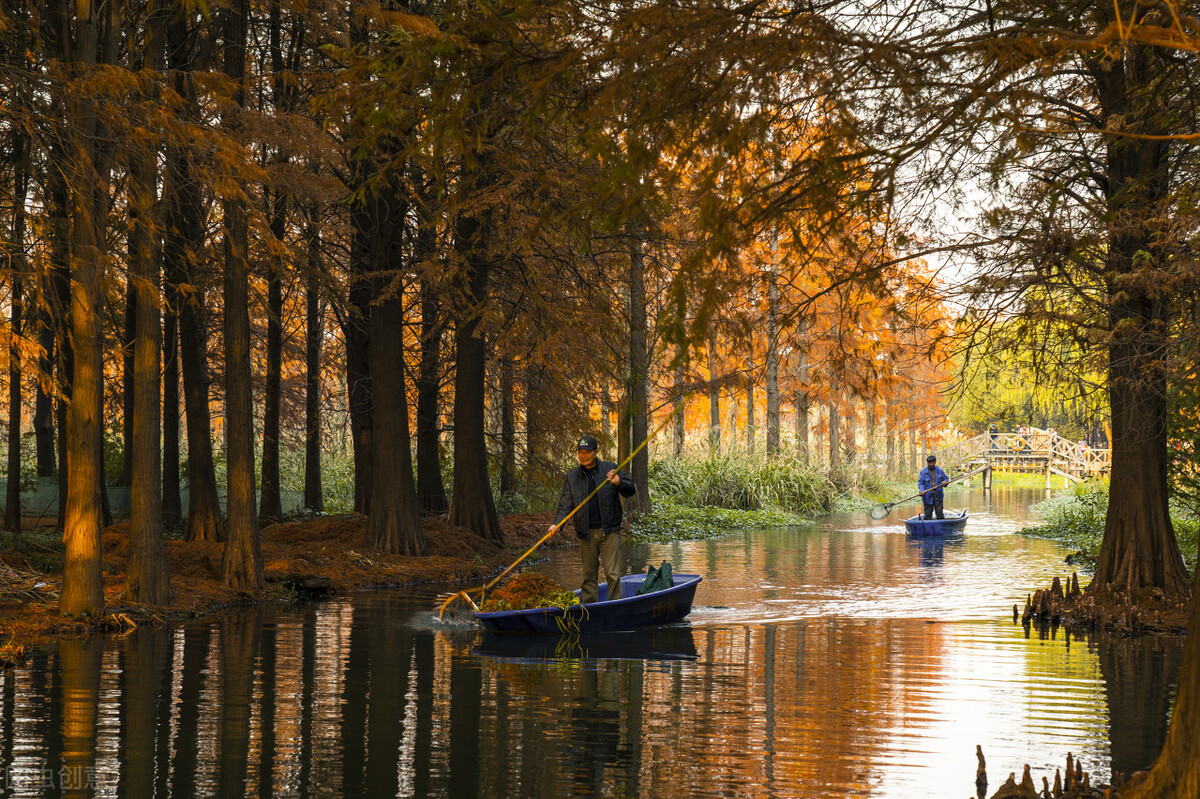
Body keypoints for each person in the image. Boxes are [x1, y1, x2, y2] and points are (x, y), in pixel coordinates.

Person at [548, 435, 636, 604]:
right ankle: (589, 609)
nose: (583, 456)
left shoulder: (610, 470)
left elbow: (630, 490)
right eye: (580, 452)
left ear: (596, 452)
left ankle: (615, 606)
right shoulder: (572, 477)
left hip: (609, 531)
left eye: (587, 452)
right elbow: (565, 505)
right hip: (585, 534)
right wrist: (557, 524)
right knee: (588, 576)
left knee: (612, 574)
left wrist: (618, 482)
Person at [918, 454, 949, 520]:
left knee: (939, 513)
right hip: (927, 495)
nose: (931, 464)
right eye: (929, 463)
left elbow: (946, 479)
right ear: (927, 463)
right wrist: (922, 490)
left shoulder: (939, 471)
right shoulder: (923, 472)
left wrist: (945, 482)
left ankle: (941, 527)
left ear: (935, 462)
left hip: (938, 494)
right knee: (928, 514)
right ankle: (927, 528)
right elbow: (920, 483)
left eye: (932, 462)